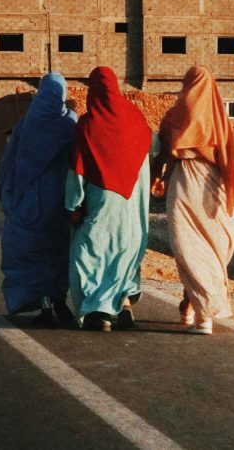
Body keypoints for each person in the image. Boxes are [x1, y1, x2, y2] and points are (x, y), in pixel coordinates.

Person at [66, 67, 158, 332]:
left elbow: (77, 170)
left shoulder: (88, 124)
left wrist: (72, 204)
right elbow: (155, 145)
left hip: (102, 203)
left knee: (89, 253)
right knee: (124, 251)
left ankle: (99, 311)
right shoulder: (135, 117)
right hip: (132, 206)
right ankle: (125, 301)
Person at [158, 65, 234, 335]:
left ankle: (201, 314)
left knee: (189, 246)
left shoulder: (177, 113)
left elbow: (164, 146)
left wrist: (157, 175)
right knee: (213, 250)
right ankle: (193, 305)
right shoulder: (221, 121)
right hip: (214, 186)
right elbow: (230, 161)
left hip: (187, 182)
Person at [0, 73, 78, 327]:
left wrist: (6, 193)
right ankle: (59, 302)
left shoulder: (26, 124)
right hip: (60, 202)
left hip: (28, 201)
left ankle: (43, 306)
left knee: (31, 254)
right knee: (58, 254)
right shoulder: (70, 123)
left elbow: (9, 162)